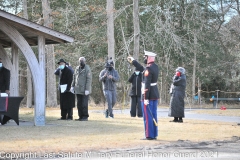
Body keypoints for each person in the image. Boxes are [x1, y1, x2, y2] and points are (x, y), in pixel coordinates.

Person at [127, 51, 159, 140]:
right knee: (153, 115)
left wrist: (145, 98)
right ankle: (154, 134)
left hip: (148, 95)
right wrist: (133, 61)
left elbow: (147, 85)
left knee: (148, 116)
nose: (144, 59)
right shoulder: (155, 67)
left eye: (145, 57)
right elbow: (142, 69)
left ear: (149, 58)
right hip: (154, 94)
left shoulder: (148, 69)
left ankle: (149, 135)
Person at [72, 57, 92, 121]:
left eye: (82, 61)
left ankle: (85, 116)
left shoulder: (87, 69)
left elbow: (89, 80)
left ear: (85, 61)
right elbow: (74, 78)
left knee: (84, 104)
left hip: (84, 90)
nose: (81, 62)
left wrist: (87, 89)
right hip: (78, 89)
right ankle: (80, 116)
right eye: (80, 60)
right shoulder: (77, 68)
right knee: (79, 104)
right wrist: (72, 86)